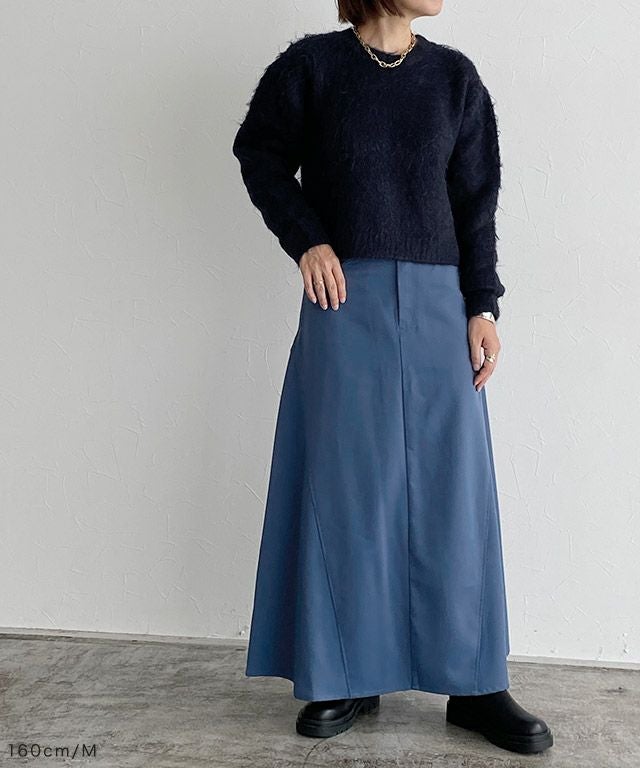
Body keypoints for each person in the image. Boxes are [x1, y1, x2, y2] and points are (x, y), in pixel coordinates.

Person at [232, 0, 554, 756]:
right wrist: (306, 239)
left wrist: (482, 305)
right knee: (349, 486)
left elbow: (476, 201)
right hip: (345, 298)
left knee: (454, 489)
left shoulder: (455, 79)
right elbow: (259, 153)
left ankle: (475, 683)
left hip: (443, 302)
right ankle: (346, 668)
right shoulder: (312, 68)